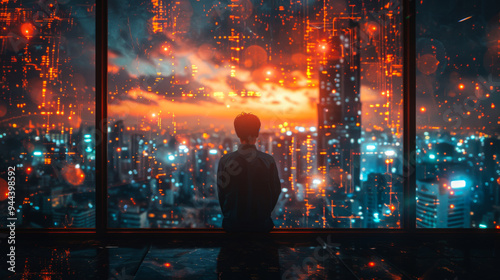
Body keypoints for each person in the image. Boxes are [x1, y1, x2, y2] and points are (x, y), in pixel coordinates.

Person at [217, 112, 281, 233]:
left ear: (237, 133)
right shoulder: (268, 161)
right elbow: (275, 192)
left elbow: (222, 194)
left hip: (233, 227)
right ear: (257, 133)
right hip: (261, 227)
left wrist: (232, 216)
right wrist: (263, 214)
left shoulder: (225, 161)